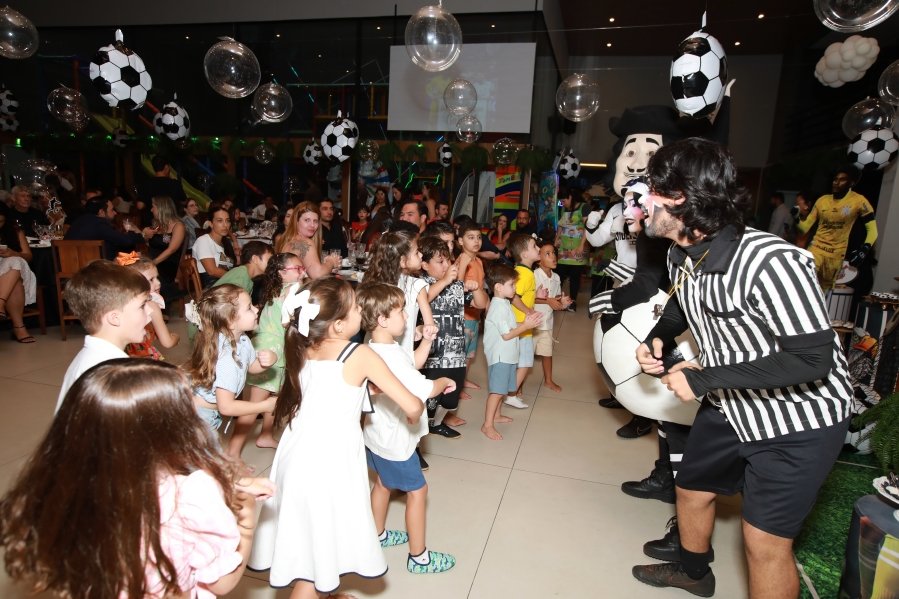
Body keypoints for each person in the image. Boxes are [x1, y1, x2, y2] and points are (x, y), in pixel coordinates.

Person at [632, 138, 852, 598]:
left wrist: (703, 377)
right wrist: (659, 339)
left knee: (763, 542)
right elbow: (681, 310)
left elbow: (813, 359)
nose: (640, 201)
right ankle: (695, 573)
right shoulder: (680, 254)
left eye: (650, 189)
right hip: (733, 403)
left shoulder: (771, 261)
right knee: (691, 488)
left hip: (801, 420)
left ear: (680, 200)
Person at [1, 359, 273, 599]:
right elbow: (222, 583)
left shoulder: (69, 489)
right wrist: (246, 519)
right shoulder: (194, 494)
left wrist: (227, 484)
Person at [248, 278, 425, 598]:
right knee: (310, 572)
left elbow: (324, 392)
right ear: (340, 325)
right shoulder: (358, 355)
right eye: (357, 307)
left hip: (294, 455)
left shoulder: (301, 346)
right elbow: (412, 403)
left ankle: (325, 590)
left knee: (310, 544)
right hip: (329, 462)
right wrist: (414, 410)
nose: (362, 312)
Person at [356, 283, 458, 573]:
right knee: (418, 491)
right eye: (401, 310)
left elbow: (411, 364)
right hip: (395, 443)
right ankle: (419, 557)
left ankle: (377, 534)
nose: (406, 314)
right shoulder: (387, 355)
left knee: (384, 483)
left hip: (376, 436)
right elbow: (423, 389)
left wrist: (425, 342)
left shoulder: (377, 347)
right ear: (382, 320)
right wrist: (444, 382)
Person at [230, 252, 305, 459]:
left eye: (302, 268)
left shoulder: (275, 289)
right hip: (271, 350)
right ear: (282, 273)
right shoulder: (294, 289)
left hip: (267, 346)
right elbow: (285, 321)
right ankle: (233, 454)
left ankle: (265, 434)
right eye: (297, 269)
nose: (302, 272)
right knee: (253, 406)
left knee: (273, 396)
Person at [55, 260, 152, 410]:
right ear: (114, 318)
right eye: (142, 306)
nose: (150, 311)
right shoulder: (109, 373)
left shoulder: (94, 358)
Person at [185, 284, 278, 436]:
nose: (256, 309)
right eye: (249, 308)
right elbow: (227, 407)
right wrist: (264, 406)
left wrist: (267, 361)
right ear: (230, 321)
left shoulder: (242, 340)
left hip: (207, 412)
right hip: (199, 417)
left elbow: (251, 366)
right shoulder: (226, 360)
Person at [420, 236, 487, 437]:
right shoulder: (421, 284)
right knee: (429, 400)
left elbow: (482, 304)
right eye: (440, 262)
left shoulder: (456, 286)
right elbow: (426, 297)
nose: (446, 265)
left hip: (456, 354)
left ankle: (436, 424)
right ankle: (420, 436)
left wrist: (476, 289)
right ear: (424, 264)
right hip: (432, 356)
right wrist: (445, 280)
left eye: (448, 260)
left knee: (450, 400)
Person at [482, 263, 542, 440]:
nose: (515, 288)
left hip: (507, 355)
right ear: (499, 287)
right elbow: (507, 335)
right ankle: (487, 425)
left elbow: (509, 327)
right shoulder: (498, 307)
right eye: (512, 285)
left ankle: (497, 415)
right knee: (497, 391)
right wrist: (525, 326)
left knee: (502, 389)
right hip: (500, 356)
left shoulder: (504, 303)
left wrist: (525, 323)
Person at [795, 166, 878, 290]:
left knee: (822, 292)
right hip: (816, 249)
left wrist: (864, 249)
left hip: (835, 256)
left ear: (852, 183)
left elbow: (873, 231)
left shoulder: (859, 201)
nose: (836, 182)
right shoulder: (822, 201)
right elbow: (804, 228)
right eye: (835, 179)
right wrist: (796, 218)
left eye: (842, 179)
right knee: (803, 283)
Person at [362, 229, 437, 360]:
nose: (421, 255)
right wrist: (426, 330)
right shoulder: (416, 286)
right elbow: (431, 326)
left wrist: (418, 329)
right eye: (416, 252)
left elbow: (428, 325)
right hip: (400, 356)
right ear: (402, 261)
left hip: (373, 353)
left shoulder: (375, 284)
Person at [506, 233, 546, 410]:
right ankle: (511, 395)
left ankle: (511, 392)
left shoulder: (523, 272)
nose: (538, 249)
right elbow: (514, 297)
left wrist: (536, 296)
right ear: (524, 254)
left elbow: (521, 295)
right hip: (522, 325)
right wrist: (529, 311)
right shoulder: (525, 274)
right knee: (525, 362)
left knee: (520, 361)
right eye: (534, 247)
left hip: (520, 325)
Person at [117, 254, 180, 360]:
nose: (158, 283)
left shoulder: (118, 304)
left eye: (157, 278)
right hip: (143, 358)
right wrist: (176, 337)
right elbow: (167, 342)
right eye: (151, 279)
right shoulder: (151, 306)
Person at [533, 242, 573, 391]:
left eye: (554, 253)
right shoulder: (534, 276)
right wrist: (548, 300)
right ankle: (518, 386)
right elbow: (529, 298)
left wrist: (561, 300)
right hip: (533, 323)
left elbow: (554, 296)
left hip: (547, 323)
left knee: (547, 353)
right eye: (548, 254)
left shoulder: (556, 277)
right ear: (538, 259)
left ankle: (548, 380)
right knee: (525, 357)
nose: (553, 256)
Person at [0, 203, 37, 343]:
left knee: (16, 260)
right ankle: (19, 328)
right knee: (15, 283)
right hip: (11, 277)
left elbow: (28, 256)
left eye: (1, 221)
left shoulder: (15, 230)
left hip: (15, 269)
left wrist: (11, 253)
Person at [275, 201, 340, 279]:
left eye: (315, 221)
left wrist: (326, 268)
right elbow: (317, 275)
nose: (312, 225)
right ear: (296, 221)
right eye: (307, 220)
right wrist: (331, 262)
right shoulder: (305, 242)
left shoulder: (285, 238)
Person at [64, 196, 144, 259]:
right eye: (112, 210)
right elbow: (126, 241)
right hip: (95, 272)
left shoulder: (78, 221)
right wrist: (141, 235)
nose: (115, 213)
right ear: (101, 212)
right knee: (136, 256)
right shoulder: (99, 223)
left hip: (70, 267)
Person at [457, 219, 485, 398]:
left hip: (475, 315)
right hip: (464, 317)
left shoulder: (478, 261)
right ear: (460, 241)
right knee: (460, 354)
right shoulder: (462, 261)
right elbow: (457, 287)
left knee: (469, 354)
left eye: (479, 237)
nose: (476, 241)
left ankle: (463, 380)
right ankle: (456, 386)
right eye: (471, 237)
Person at [143, 195, 187, 304]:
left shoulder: (178, 226)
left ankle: (160, 306)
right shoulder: (156, 225)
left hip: (168, 263)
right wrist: (144, 236)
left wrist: (153, 263)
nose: (151, 209)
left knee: (148, 272)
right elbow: (150, 245)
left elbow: (172, 249)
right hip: (154, 260)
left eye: (153, 207)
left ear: (162, 208)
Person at [555, 185, 588, 311]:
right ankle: (557, 301)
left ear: (570, 197)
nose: (563, 203)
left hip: (577, 249)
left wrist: (581, 245)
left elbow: (587, 228)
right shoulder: (564, 209)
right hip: (563, 249)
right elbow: (561, 226)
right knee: (559, 276)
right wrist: (556, 239)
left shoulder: (584, 207)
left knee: (575, 278)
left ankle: (572, 303)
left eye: (564, 200)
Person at [193, 204, 238, 288]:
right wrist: (236, 277)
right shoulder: (203, 241)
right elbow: (212, 271)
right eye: (220, 221)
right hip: (212, 286)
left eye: (227, 221)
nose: (225, 225)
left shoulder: (226, 242)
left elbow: (235, 264)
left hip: (227, 282)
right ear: (211, 223)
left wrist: (235, 242)